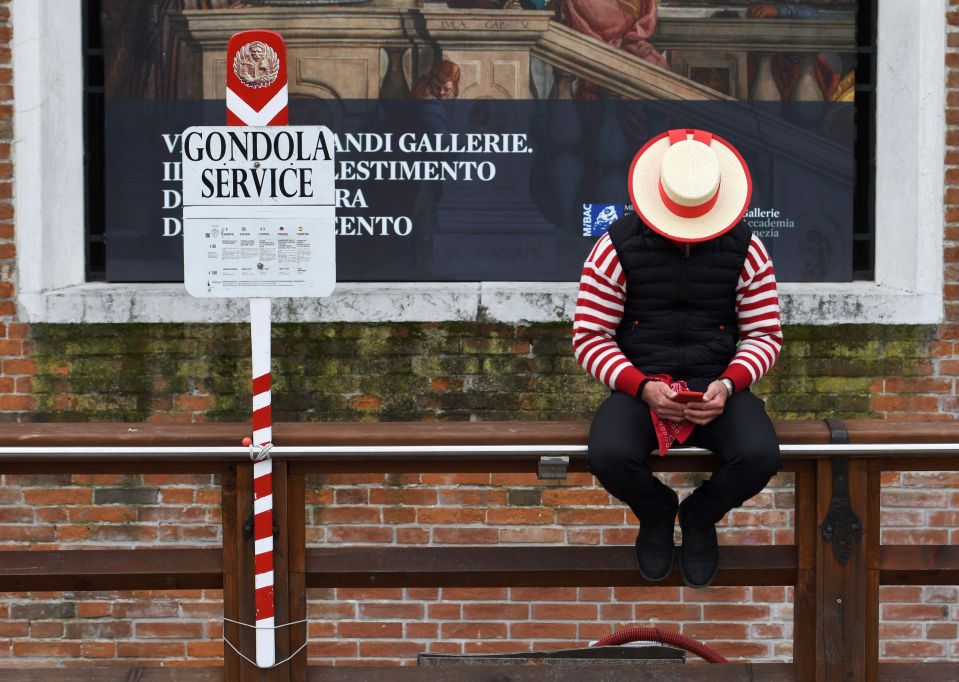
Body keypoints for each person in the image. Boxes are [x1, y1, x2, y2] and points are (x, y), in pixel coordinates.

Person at [572, 129, 783, 589]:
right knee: (607, 455)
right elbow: (589, 336)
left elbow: (765, 334)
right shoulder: (615, 246)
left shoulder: (748, 248)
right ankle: (657, 510)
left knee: (760, 454)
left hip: (718, 383)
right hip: (642, 383)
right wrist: (641, 386)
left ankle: (699, 516)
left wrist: (728, 385)